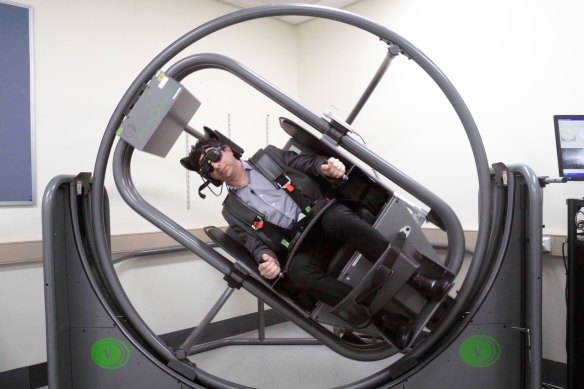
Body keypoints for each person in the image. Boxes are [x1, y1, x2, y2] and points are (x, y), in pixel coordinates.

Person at [180, 128, 450, 349]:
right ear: (211, 178)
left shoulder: (269, 157)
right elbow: (255, 243)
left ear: (226, 149)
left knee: (341, 219)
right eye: (209, 168)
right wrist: (266, 260)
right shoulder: (231, 210)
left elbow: (307, 163)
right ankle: (384, 320)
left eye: (214, 156)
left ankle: (417, 277)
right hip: (299, 245)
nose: (216, 166)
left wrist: (326, 166)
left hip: (323, 216)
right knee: (299, 273)